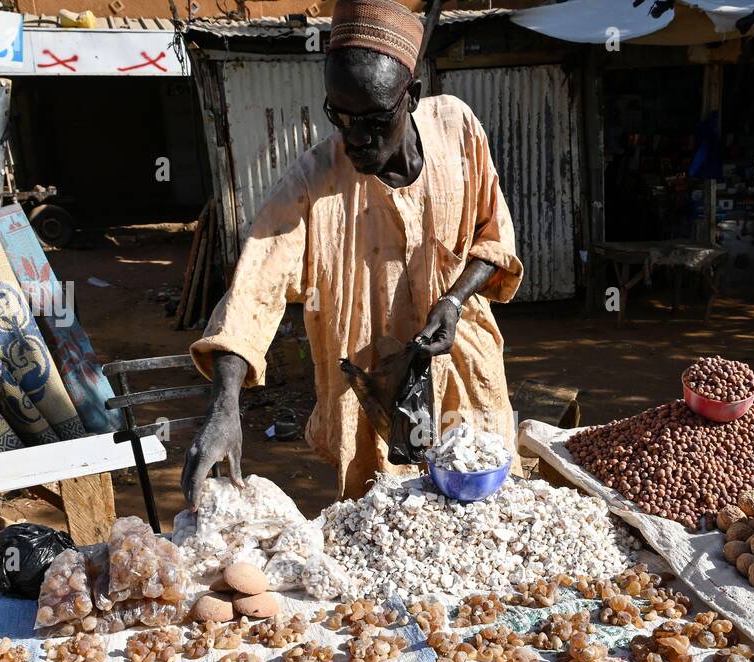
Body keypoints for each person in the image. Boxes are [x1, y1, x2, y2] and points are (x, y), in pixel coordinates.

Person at [182, 0, 523, 506]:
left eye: (373, 120)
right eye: (339, 118)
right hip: (369, 396)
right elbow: (254, 291)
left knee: (491, 506)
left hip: (465, 375)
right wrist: (225, 405)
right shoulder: (312, 182)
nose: (355, 138)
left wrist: (452, 301)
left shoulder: (457, 129)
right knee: (387, 521)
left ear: (412, 97)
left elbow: (492, 239)